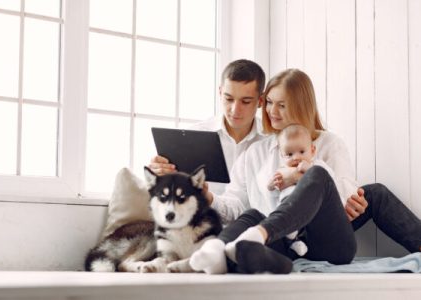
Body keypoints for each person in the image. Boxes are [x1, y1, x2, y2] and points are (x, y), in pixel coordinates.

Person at [188, 68, 421, 275]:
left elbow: (345, 200)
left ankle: (259, 234)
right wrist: (209, 199)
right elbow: (235, 204)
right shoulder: (255, 152)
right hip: (282, 241)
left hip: (324, 240)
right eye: (269, 102)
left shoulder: (329, 143)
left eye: (282, 104)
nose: (271, 111)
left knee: (331, 179)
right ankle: (216, 252)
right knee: (250, 214)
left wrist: (300, 174)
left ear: (301, 105)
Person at [149, 59, 266, 195]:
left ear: (261, 101)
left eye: (245, 102)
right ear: (220, 93)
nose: (235, 110)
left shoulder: (275, 141)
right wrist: (159, 174)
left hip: (258, 216)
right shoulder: (193, 136)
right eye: (228, 99)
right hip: (204, 214)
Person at [266, 123, 334, 257]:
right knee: (285, 223)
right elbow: (271, 191)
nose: (296, 157)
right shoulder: (282, 170)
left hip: (311, 212)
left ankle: (296, 237)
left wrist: (310, 170)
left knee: (300, 223)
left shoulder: (317, 165)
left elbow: (328, 181)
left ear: (313, 150)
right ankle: (294, 242)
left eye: (302, 152)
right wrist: (272, 184)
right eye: (289, 154)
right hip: (287, 207)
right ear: (282, 155)